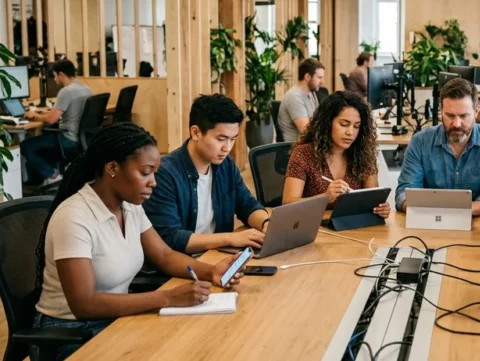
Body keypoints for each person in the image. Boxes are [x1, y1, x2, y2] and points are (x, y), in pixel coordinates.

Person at [32, 123, 247, 361]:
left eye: (154, 172)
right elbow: (84, 303)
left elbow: (164, 255)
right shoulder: (74, 217)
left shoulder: (129, 207)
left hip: (117, 320)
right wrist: (167, 298)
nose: (153, 182)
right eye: (145, 173)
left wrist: (212, 271)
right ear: (112, 167)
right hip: (71, 332)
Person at [143, 94, 271, 254]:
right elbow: (171, 238)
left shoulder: (225, 165)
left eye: (233, 139)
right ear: (195, 132)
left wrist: (266, 223)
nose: (227, 147)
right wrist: (230, 238)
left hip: (217, 257)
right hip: (182, 266)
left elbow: (247, 205)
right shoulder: (165, 174)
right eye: (221, 139)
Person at [395, 78, 480, 217]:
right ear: (440, 111)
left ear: (476, 111)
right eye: (450, 116)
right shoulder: (420, 141)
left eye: (464, 116)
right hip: (429, 223)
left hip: (475, 225)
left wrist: (447, 210)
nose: (456, 124)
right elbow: (404, 194)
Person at [283, 91, 390, 217]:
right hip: (313, 227)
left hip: (351, 228)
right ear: (327, 123)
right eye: (344, 124)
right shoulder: (304, 153)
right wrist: (325, 197)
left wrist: (380, 208)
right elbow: (287, 204)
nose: (350, 132)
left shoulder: (363, 154)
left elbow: (372, 199)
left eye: (356, 126)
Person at [22, 60, 92, 186]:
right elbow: (56, 115)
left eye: (54, 76)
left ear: (61, 74)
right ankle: (46, 175)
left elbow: (51, 120)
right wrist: (41, 114)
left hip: (68, 140)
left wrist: (34, 115)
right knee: (41, 140)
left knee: (26, 146)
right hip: (83, 140)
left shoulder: (66, 92)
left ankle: (52, 176)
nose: (54, 79)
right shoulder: (86, 88)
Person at [278, 58, 325, 143]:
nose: (322, 82)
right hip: (297, 149)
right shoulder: (294, 97)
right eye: (319, 77)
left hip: (309, 145)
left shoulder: (312, 93)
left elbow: (318, 120)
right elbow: (307, 132)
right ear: (307, 77)